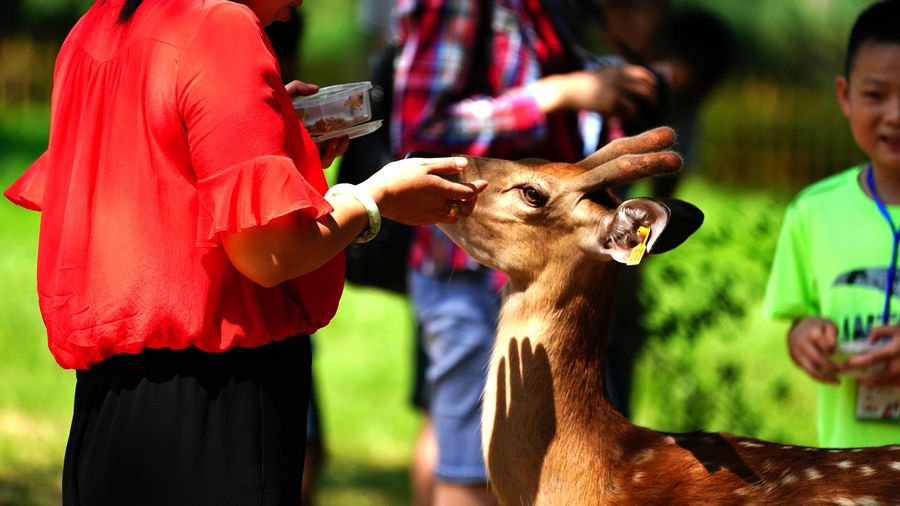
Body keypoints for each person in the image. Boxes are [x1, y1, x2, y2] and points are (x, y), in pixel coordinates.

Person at [2, 0, 492, 503]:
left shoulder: (96, 24)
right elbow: (270, 255)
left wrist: (278, 139)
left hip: (105, 411)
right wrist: (375, 198)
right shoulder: (220, 25)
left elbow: (160, 178)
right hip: (217, 406)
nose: (296, 7)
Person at [391, 1, 662, 504]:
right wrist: (555, 95)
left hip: (542, 266)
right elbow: (419, 135)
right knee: (471, 470)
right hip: (473, 264)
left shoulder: (546, 8)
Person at [762, 0, 900, 448]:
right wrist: (803, 336)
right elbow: (798, 319)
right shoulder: (814, 211)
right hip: (851, 472)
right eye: (876, 95)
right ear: (845, 96)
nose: (895, 115)